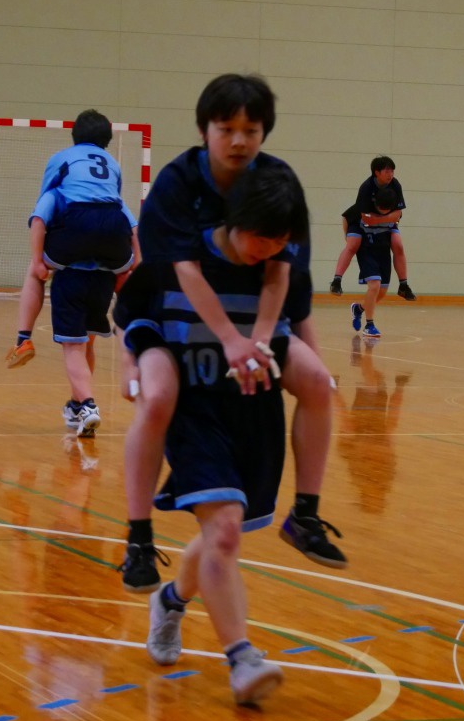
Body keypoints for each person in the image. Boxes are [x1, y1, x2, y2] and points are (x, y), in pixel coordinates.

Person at [116, 74, 345, 595]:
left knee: (316, 382)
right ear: (205, 131)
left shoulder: (276, 181)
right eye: (227, 129)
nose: (240, 140)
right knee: (158, 401)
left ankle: (304, 515)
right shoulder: (176, 186)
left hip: (251, 318)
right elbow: (182, 274)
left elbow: (283, 272)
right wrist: (230, 342)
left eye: (252, 129)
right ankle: (137, 535)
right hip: (175, 316)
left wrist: (262, 341)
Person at [133, 164, 309, 706]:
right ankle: (242, 658)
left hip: (251, 410)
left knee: (222, 533)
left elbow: (298, 323)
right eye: (265, 237)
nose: (273, 248)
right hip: (193, 406)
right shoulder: (177, 256)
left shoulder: (278, 267)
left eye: (282, 241)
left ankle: (171, 600)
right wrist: (131, 364)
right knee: (226, 531)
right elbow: (132, 309)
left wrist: (314, 377)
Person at [8, 110, 139, 436]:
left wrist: (39, 261)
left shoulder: (60, 173)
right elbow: (129, 222)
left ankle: (24, 338)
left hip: (76, 242)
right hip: (111, 242)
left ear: (75, 135)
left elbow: (40, 218)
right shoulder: (114, 166)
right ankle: (79, 402)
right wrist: (134, 264)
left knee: (36, 272)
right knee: (87, 341)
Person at [330, 156, 417, 301]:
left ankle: (403, 285)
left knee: (398, 244)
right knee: (353, 244)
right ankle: (336, 280)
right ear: (377, 172)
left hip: (382, 221)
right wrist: (348, 234)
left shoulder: (395, 185)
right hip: (358, 221)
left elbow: (398, 214)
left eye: (392, 171)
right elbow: (365, 217)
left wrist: (381, 219)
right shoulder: (366, 187)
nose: (391, 174)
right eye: (387, 171)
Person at [348, 186, 398, 339]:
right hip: (366, 250)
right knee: (374, 285)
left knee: (381, 292)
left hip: (383, 252)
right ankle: (369, 325)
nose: (384, 211)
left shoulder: (395, 214)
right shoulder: (363, 208)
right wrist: (348, 241)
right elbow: (345, 218)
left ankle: (359, 309)